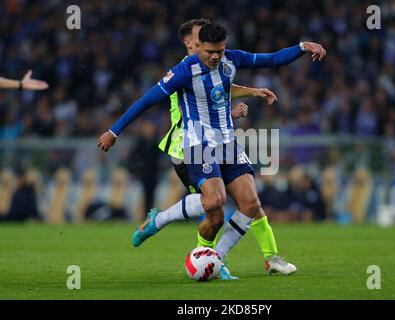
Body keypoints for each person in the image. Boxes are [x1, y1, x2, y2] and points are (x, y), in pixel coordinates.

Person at [98, 22, 326, 279]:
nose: (215, 56)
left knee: (251, 204)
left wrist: (302, 47)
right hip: (198, 143)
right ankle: (159, 220)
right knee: (215, 202)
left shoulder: (232, 59)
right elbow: (146, 100)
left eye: (219, 50)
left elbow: (272, 59)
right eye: (210, 51)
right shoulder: (184, 71)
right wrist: (114, 131)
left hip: (228, 141)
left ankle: (215, 259)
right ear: (199, 48)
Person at [156, 19, 297, 276]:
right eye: (199, 38)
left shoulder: (219, 63)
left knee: (250, 202)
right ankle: (170, 229)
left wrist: (248, 95)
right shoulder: (181, 74)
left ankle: (253, 258)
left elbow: (219, 92)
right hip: (189, 148)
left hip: (222, 141)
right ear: (189, 42)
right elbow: (203, 108)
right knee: (214, 210)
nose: (210, 48)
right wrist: (233, 110)